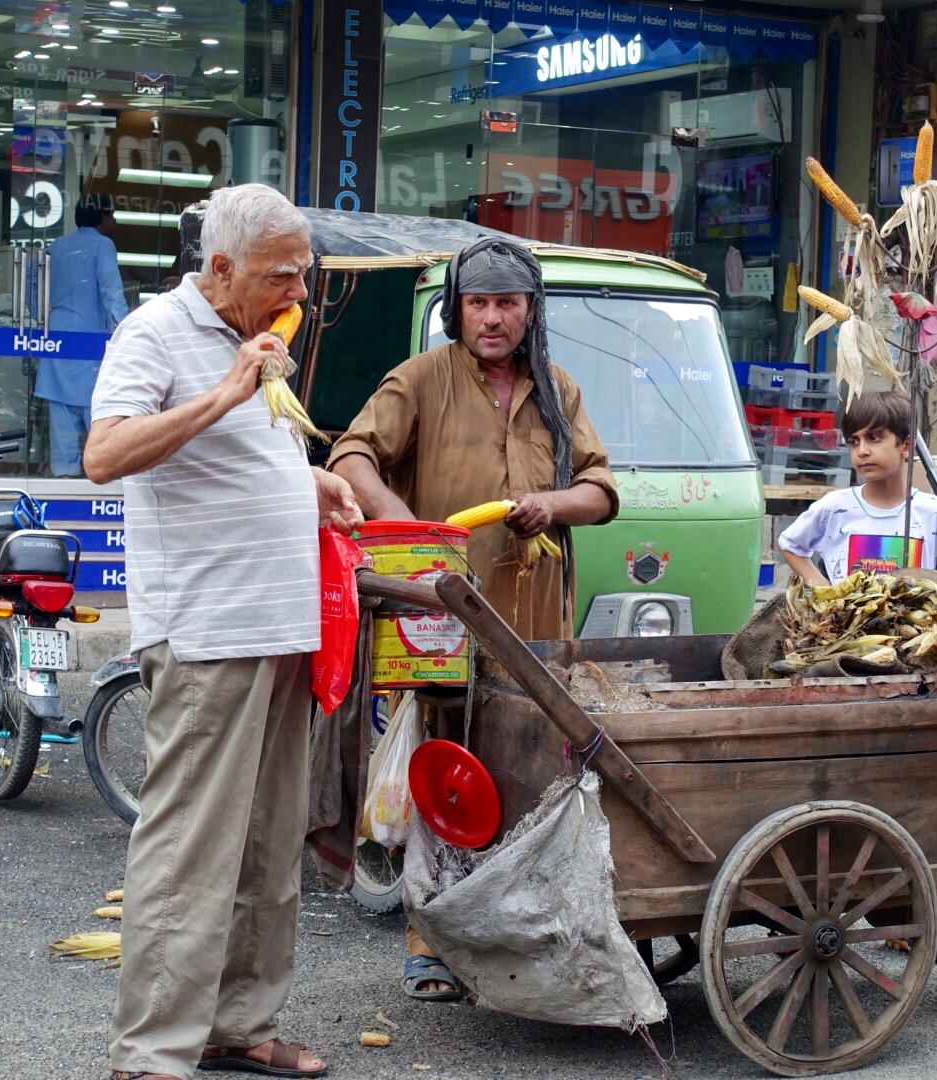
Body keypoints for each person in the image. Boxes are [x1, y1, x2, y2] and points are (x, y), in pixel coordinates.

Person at [83, 183, 362, 1080]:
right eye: (283, 275)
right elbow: (106, 454)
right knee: (188, 852)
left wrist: (309, 484)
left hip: (280, 628)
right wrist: (227, 387)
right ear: (220, 268)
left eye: (303, 273)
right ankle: (152, 1052)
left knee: (270, 844)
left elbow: (246, 457)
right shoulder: (157, 333)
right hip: (208, 632)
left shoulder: (261, 337)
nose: (300, 291)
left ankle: (239, 1026)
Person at [327, 236, 618, 1002]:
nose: (492, 318)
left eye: (507, 304)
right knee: (445, 778)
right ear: (457, 308)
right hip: (442, 623)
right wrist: (407, 529)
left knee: (531, 779)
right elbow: (351, 456)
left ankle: (521, 934)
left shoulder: (557, 390)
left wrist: (551, 506)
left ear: (531, 310)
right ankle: (432, 941)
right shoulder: (421, 380)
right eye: (479, 303)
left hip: (532, 626)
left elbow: (601, 491)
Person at [778, 390, 937, 606]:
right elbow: (790, 544)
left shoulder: (933, 512)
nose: (862, 451)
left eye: (874, 438)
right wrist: (829, 595)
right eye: (854, 441)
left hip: (911, 636)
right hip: (846, 635)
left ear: (905, 446)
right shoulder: (835, 507)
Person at [39, 196, 129, 477]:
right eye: (111, 215)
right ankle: (98, 478)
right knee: (98, 412)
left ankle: (64, 476)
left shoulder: (57, 246)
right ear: (102, 218)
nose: (113, 221)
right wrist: (127, 330)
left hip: (55, 336)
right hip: (89, 341)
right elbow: (111, 290)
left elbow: (34, 285)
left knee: (62, 416)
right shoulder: (103, 245)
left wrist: (40, 315)